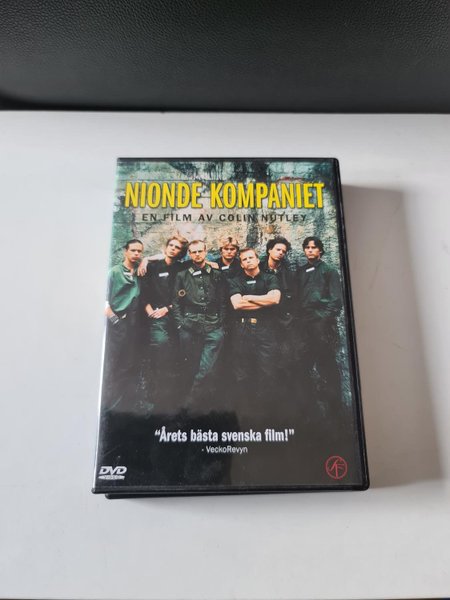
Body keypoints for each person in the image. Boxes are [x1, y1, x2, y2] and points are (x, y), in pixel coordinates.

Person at [172, 240, 226, 406]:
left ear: (205, 251)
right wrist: (180, 324)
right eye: (193, 252)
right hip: (189, 326)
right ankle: (193, 403)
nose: (197, 254)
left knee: (207, 368)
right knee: (190, 365)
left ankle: (191, 404)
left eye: (200, 251)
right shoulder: (182, 275)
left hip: (213, 325)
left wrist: (220, 323)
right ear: (189, 254)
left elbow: (223, 301)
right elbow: (176, 302)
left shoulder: (216, 274)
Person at [296, 236, 344, 421]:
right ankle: (309, 413)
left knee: (327, 366)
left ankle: (335, 411)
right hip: (304, 326)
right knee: (302, 366)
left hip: (322, 326)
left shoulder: (329, 271)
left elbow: (336, 301)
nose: (310, 250)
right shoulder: (301, 271)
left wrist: (322, 320)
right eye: (307, 247)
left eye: (313, 247)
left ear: (320, 251)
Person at [229, 248, 281, 406]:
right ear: (241, 264)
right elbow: (237, 304)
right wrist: (264, 302)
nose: (248, 261)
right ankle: (246, 409)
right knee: (242, 370)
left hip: (265, 328)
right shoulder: (235, 281)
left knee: (267, 369)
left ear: (258, 260)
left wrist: (250, 297)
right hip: (243, 329)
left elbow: (275, 300)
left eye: (251, 257)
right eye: (244, 259)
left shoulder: (270, 278)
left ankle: (265, 408)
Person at [140, 235, 189, 403]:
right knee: (161, 349)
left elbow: (183, 294)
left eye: (177, 247)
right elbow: (143, 292)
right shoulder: (152, 267)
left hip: (175, 314)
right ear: (166, 246)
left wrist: (167, 309)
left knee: (177, 354)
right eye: (171, 245)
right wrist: (150, 312)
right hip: (155, 316)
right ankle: (156, 397)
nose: (173, 249)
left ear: (181, 252)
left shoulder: (182, 268)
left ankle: (174, 398)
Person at [103, 239, 144, 409]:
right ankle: (108, 405)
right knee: (114, 363)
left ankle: (125, 405)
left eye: (139, 251)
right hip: (117, 323)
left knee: (129, 364)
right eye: (133, 250)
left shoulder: (140, 270)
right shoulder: (114, 273)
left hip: (135, 324)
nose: (136, 254)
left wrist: (146, 261)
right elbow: (103, 300)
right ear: (125, 251)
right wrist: (115, 320)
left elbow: (162, 257)